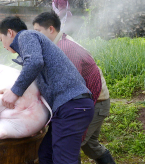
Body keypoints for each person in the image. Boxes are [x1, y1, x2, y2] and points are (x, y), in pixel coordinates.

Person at [0, 16, 94, 164]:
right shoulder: (30, 46)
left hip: (72, 105)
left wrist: (14, 92)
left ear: (10, 32)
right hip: (66, 106)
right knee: (46, 153)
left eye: (0, 38)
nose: (2, 45)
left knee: (64, 160)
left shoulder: (26, 36)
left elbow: (34, 63)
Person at [32, 12, 115, 164]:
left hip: (95, 102)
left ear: (51, 29)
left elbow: (70, 89)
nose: (35, 37)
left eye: (38, 32)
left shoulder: (64, 49)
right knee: (90, 146)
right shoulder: (56, 45)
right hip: (90, 101)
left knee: (68, 145)